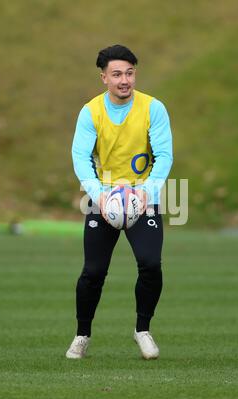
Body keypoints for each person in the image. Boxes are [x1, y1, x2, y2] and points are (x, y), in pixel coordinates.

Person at [66, 45, 173, 360]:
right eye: (117, 74)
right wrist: (99, 194)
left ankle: (142, 330)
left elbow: (164, 155)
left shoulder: (154, 108)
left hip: (142, 197)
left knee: (151, 264)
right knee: (94, 271)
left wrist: (147, 192)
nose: (124, 80)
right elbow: (80, 158)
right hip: (104, 199)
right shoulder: (91, 112)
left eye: (129, 72)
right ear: (103, 78)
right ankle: (82, 335)